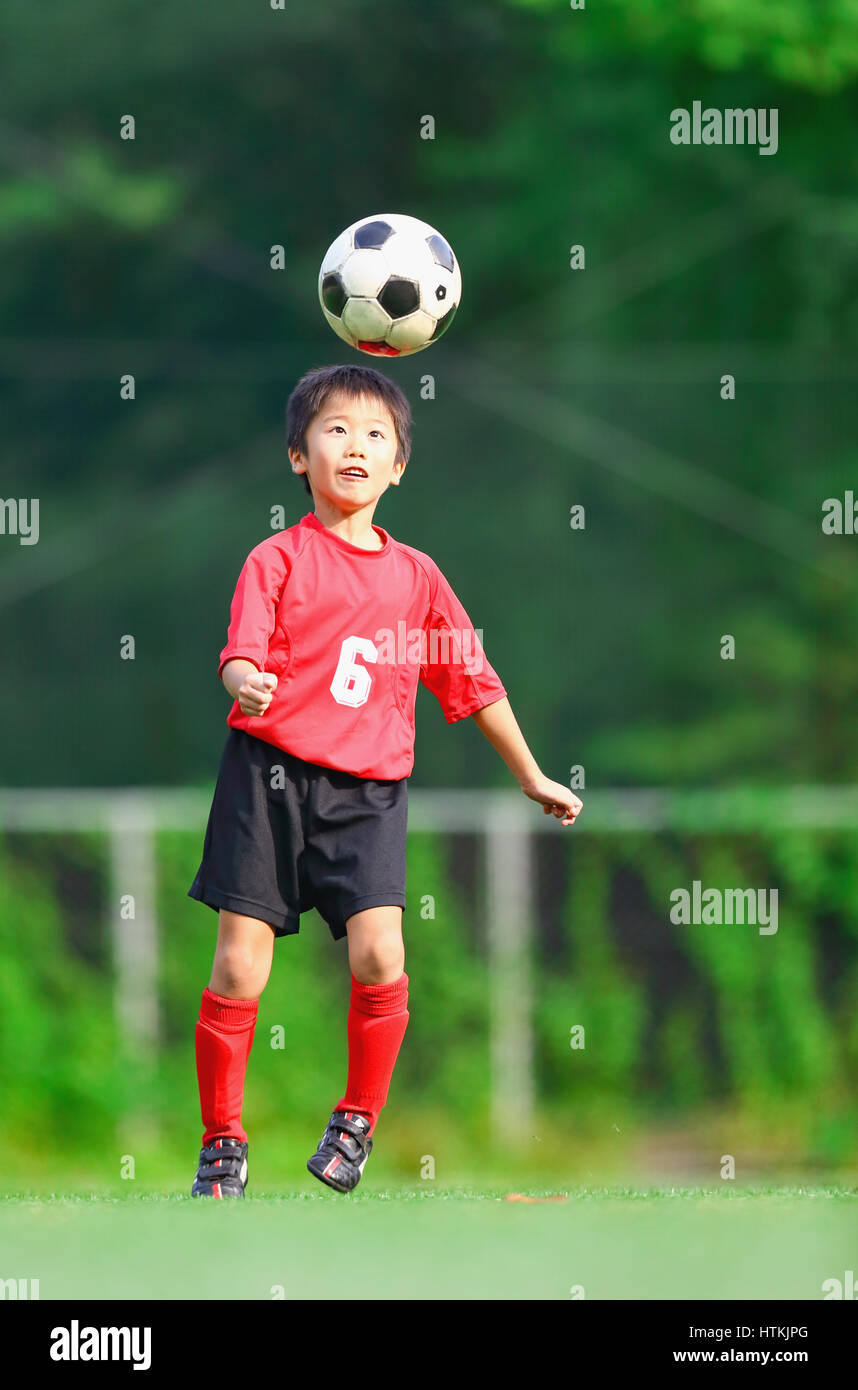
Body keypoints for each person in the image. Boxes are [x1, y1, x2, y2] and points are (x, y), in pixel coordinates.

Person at [187, 362, 582, 1197]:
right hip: (269, 780)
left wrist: (532, 774)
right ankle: (223, 1142)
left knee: (379, 952)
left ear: (400, 463)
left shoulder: (416, 578)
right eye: (334, 430)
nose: (355, 446)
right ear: (299, 455)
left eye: (376, 435)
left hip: (368, 795)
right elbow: (239, 651)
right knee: (238, 969)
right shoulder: (278, 558)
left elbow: (472, 680)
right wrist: (244, 680)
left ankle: (356, 1120)